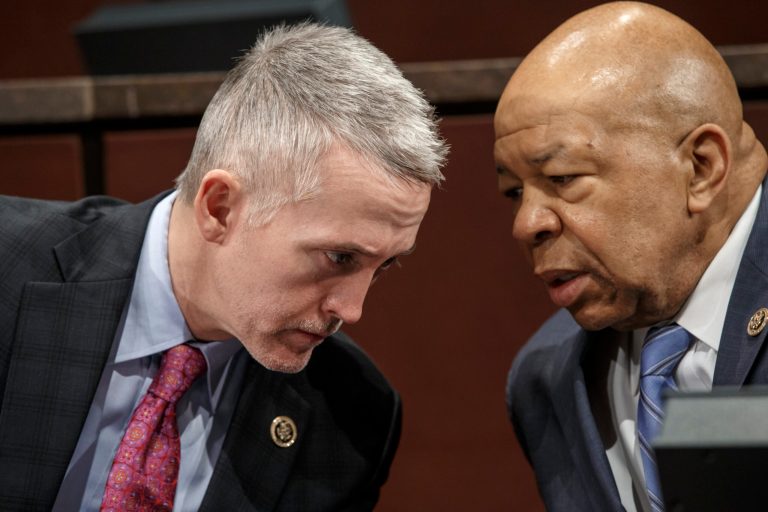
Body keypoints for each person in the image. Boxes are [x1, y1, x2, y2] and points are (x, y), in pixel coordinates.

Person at [0, 23, 447, 511]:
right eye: (340, 258)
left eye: (384, 266)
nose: (353, 309)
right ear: (219, 208)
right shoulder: (9, 267)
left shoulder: (351, 417)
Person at [496, 2, 768, 511]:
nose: (526, 223)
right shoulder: (544, 378)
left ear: (701, 167)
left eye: (562, 178)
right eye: (514, 192)